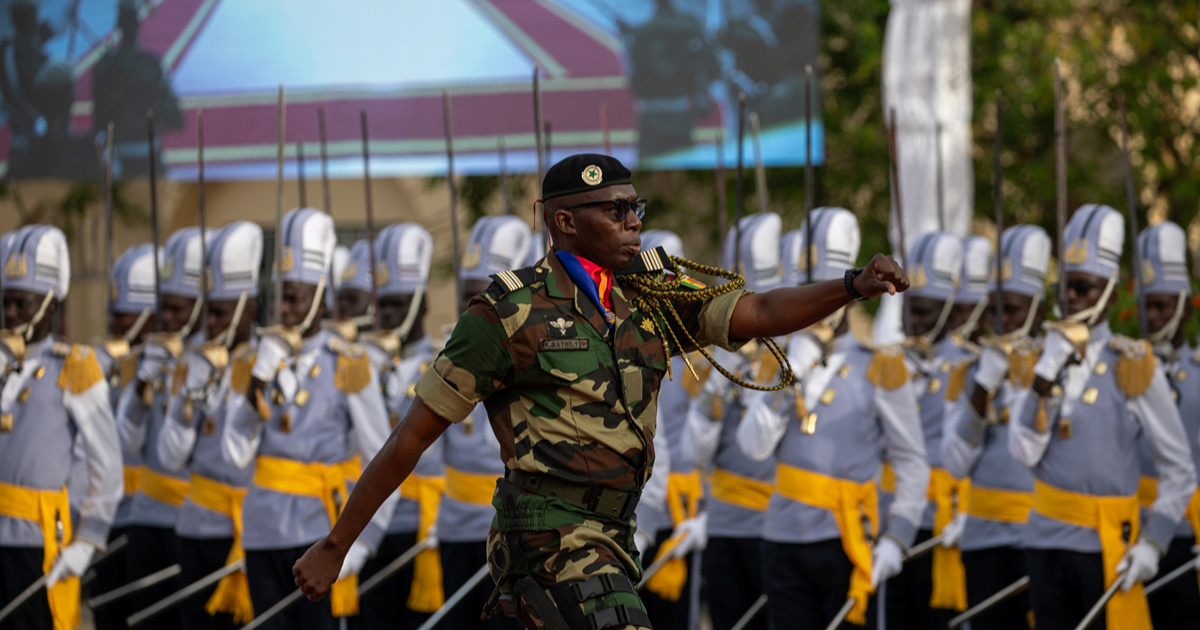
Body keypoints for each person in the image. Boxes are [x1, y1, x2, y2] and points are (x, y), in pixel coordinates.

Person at [291, 153, 908, 630]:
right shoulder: (507, 314)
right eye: (613, 211)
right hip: (549, 535)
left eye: (634, 206)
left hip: (615, 532)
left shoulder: (649, 296)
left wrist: (851, 286)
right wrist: (336, 544)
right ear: (564, 222)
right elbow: (410, 438)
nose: (633, 220)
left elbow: (761, 311)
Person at [739, 208, 929, 630]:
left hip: (850, 540)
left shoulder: (879, 366)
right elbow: (752, 446)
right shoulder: (779, 361)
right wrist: (790, 378)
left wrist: (897, 538)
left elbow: (912, 461)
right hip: (782, 538)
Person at [1008, 204, 1196, 629]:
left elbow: (1179, 469)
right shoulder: (1040, 359)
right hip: (1042, 541)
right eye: (1065, 288)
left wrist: (1154, 541)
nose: (1071, 298)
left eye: (1084, 287)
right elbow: (1023, 451)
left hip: (1105, 546)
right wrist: (1044, 374)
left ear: (1111, 293)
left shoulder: (1132, 363)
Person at [221, 208, 396, 630]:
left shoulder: (348, 361)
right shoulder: (252, 360)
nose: (284, 308)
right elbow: (233, 456)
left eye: (295, 297)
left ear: (321, 293)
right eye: (279, 296)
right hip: (262, 532)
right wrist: (255, 387)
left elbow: (382, 457)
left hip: (321, 535)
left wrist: (361, 544)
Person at [0, 225, 121, 630]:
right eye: (5, 302)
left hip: (36, 541)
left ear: (51, 307)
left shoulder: (74, 365)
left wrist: (87, 542)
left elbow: (106, 464)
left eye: (22, 302)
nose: (11, 314)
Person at [941, 225, 1051, 629]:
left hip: (1040, 533)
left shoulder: (1059, 368)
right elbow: (954, 462)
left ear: (1039, 310)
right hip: (984, 534)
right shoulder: (969, 372)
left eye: (1014, 310)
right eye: (995, 310)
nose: (1002, 322)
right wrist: (983, 387)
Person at [158, 221, 263, 628]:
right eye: (209, 312)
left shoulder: (266, 366)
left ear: (248, 311)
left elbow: (238, 458)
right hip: (196, 523)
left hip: (250, 526)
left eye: (220, 313)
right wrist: (190, 396)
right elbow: (171, 456)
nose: (211, 325)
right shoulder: (193, 362)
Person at [682, 212, 784, 630]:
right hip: (724, 523)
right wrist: (721, 380)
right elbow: (695, 449)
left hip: (777, 525)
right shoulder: (716, 361)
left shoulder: (792, 358)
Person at [348, 223, 446, 630]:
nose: (387, 315)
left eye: (398, 303)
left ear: (422, 303)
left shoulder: (445, 360)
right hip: (373, 517)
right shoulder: (362, 360)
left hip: (425, 523)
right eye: (382, 305)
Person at [440, 215, 533, 630]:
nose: (473, 312)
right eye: (467, 299)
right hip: (456, 527)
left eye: (482, 298)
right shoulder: (450, 361)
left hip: (523, 536)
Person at [881, 231, 969, 630]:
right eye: (908, 309)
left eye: (925, 312)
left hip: (943, 520)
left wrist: (969, 510)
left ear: (950, 313)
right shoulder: (888, 362)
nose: (912, 321)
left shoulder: (968, 367)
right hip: (891, 513)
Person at [116, 227, 206, 613]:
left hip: (193, 518)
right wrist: (140, 385)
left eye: (177, 309)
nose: (166, 318)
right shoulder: (149, 360)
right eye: (163, 307)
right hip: (146, 513)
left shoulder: (216, 365)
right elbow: (126, 444)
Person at [631, 229, 702, 630]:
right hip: (635, 511)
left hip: (685, 514)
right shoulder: (628, 344)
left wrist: (709, 513)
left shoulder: (705, 357)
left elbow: (714, 442)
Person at [1132, 221, 1200, 626]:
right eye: (1146, 306)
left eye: (1162, 306)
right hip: (1139, 536)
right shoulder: (1129, 373)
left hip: (1192, 534)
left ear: (1185, 305)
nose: (1153, 317)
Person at [88, 242, 157, 630]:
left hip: (148, 514)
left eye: (124, 315)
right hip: (109, 512)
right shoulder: (110, 361)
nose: (116, 324)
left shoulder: (163, 365)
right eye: (113, 315)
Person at [91, 0, 183, 177]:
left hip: (115, 158)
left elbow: (98, 122)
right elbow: (175, 118)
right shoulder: (150, 64)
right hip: (149, 156)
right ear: (138, 25)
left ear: (119, 26)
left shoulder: (104, 67)